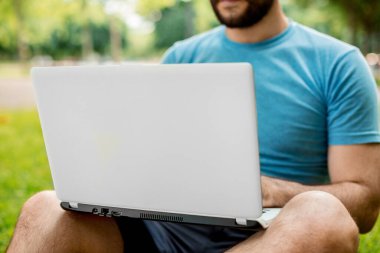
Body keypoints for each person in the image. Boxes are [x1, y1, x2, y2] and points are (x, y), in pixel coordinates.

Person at [7, 0, 380, 252]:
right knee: (44, 207)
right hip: (166, 228)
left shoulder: (338, 64)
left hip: (273, 234)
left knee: (322, 216)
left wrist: (273, 191)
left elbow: (364, 207)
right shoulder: (183, 56)